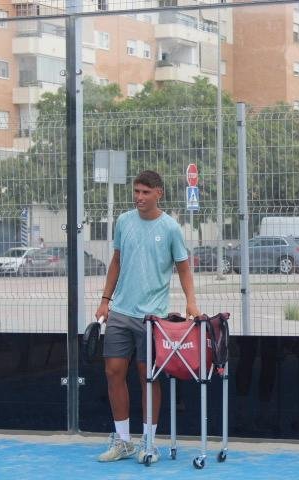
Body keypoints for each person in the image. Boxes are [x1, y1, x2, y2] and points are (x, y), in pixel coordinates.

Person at [95, 170, 201, 464]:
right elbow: (116, 260)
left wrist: (192, 302)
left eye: (145, 192)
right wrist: (105, 301)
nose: (139, 197)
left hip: (152, 318)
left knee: (148, 378)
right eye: (136, 192)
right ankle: (123, 441)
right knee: (113, 371)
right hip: (120, 312)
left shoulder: (170, 228)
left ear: (159, 194)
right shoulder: (124, 221)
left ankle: (149, 442)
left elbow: (183, 268)